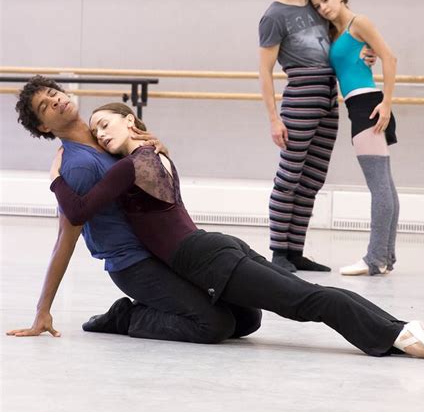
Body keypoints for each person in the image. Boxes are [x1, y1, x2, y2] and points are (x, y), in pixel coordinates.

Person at [50, 101, 424, 361]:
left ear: (130, 120)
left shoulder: (130, 165)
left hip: (208, 259)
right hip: (214, 249)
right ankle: (402, 330)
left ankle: (400, 333)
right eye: (96, 128)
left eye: (106, 123)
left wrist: (56, 177)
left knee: (305, 300)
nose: (100, 133)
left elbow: (80, 209)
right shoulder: (156, 153)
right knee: (261, 314)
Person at [7, 75, 262, 342]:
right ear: (43, 126)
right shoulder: (77, 165)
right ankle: (127, 317)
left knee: (247, 318)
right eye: (45, 106)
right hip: (133, 265)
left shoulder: (108, 139)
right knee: (215, 325)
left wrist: (161, 148)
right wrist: (43, 309)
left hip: (163, 249)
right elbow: (65, 238)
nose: (55, 100)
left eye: (53, 92)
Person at [258, 0, 375, 273]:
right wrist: (273, 118)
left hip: (327, 97)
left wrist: (369, 54)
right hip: (300, 97)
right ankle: (279, 252)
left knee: (312, 179)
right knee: (290, 176)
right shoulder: (273, 16)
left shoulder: (316, 7)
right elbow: (264, 71)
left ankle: (295, 251)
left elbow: (344, 42)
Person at [308, 0, 399, 276]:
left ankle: (374, 259)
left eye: (326, 0)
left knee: (379, 186)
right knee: (385, 184)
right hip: (358, 105)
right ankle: (386, 257)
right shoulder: (338, 33)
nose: (324, 8)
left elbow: (389, 56)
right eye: (318, 6)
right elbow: (361, 58)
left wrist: (386, 103)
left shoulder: (359, 22)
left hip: (368, 106)